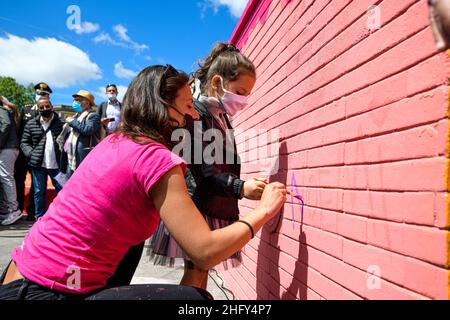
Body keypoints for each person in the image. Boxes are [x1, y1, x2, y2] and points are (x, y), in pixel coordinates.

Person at [0, 65, 287, 300]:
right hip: (46, 292)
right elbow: (205, 250)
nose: (195, 113)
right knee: (196, 301)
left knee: (132, 245)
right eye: (188, 105)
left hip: (18, 277)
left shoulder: (115, 141)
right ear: (162, 107)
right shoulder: (154, 158)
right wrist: (263, 211)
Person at [150, 43, 267, 290]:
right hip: (199, 204)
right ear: (217, 82)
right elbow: (203, 171)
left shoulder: (222, 117)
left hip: (214, 203)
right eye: (240, 91)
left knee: (202, 271)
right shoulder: (197, 116)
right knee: (195, 273)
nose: (244, 100)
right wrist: (241, 187)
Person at [20, 97, 64, 220]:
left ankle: (61, 217)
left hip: (57, 165)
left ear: (52, 106)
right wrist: (31, 154)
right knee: (39, 193)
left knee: (62, 191)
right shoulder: (31, 123)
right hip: (38, 164)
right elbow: (24, 142)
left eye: (47, 106)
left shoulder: (61, 123)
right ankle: (39, 219)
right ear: (38, 109)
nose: (45, 109)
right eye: (41, 107)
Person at [15, 82, 53, 221]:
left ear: (48, 96)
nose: (40, 96)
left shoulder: (49, 110)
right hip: (23, 152)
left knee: (36, 184)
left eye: (43, 94)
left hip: (38, 155)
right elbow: (19, 131)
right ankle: (18, 209)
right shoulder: (26, 109)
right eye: (38, 93)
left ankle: (32, 212)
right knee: (19, 180)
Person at [59, 90, 100, 178]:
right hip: (71, 155)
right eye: (74, 100)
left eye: (79, 100)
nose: (75, 102)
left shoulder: (93, 116)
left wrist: (72, 122)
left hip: (82, 157)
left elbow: (87, 130)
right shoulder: (75, 116)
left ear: (88, 102)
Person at [0, 96, 22, 226]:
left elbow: (6, 124)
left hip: (7, 148)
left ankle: (13, 210)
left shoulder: (1, 109)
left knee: (6, 177)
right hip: (8, 147)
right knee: (4, 178)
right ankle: (6, 210)